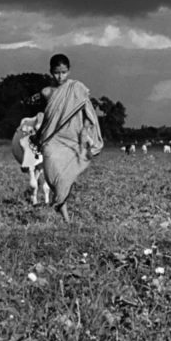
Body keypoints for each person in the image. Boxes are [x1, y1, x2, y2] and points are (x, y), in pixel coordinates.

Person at [34, 54, 103, 222]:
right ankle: (62, 209)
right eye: (57, 73)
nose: (60, 77)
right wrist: (38, 136)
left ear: (69, 71)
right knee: (52, 176)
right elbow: (47, 118)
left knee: (65, 178)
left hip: (73, 139)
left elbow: (88, 114)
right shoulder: (46, 92)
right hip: (52, 140)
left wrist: (86, 131)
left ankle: (66, 218)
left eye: (64, 72)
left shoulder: (77, 89)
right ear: (51, 72)